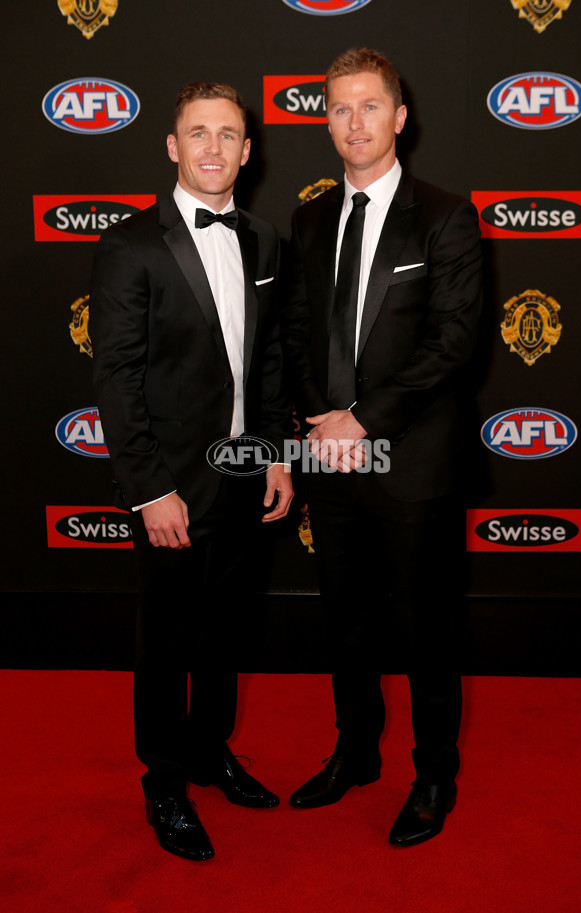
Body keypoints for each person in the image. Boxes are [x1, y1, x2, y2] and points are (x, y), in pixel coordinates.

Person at [283, 48, 482, 847]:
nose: (354, 123)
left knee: (426, 629)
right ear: (325, 120)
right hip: (332, 462)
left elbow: (453, 343)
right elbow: (298, 333)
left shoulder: (444, 215)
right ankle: (356, 751)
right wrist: (317, 419)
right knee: (347, 622)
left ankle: (434, 773)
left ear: (400, 118)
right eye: (339, 109)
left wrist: (362, 419)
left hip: (412, 462)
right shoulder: (308, 218)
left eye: (369, 107)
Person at [90, 82, 293, 861]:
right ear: (173, 147)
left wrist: (275, 451)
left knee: (224, 632)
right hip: (171, 486)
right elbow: (117, 379)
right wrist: (149, 489)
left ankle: (209, 751)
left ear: (248, 149)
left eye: (229, 135)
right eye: (198, 133)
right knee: (168, 639)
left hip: (244, 475)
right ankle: (164, 779)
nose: (214, 148)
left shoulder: (264, 240)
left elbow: (266, 358)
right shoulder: (131, 244)